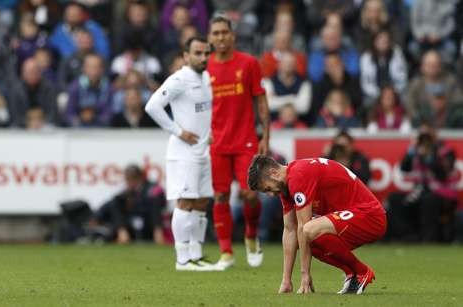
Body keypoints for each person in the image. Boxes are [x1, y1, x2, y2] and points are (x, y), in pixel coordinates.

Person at [247, 155, 386, 295]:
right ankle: (353, 274)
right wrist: (286, 280)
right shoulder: (286, 186)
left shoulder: (298, 175)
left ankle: (361, 271)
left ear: (274, 173)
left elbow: (303, 227)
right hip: (353, 217)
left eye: (267, 189)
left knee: (309, 230)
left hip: (370, 215)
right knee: (308, 239)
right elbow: (290, 230)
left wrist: (304, 275)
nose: (271, 195)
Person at [145, 36, 218, 271]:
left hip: (203, 151)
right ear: (186, 56)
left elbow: (205, 112)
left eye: (206, 53)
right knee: (185, 202)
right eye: (198, 53)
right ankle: (182, 259)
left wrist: (210, 131)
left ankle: (196, 255)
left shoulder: (207, 77)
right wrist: (177, 131)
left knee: (202, 201)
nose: (203, 57)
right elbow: (152, 106)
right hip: (183, 152)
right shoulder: (179, 79)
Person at [207, 15, 270, 269]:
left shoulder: (248, 63)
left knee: (250, 194)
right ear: (211, 38)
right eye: (216, 33)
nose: (221, 37)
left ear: (232, 35)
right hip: (217, 143)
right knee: (220, 196)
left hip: (245, 140)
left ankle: (251, 236)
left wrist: (265, 135)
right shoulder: (205, 67)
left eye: (225, 32)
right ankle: (226, 253)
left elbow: (260, 99)